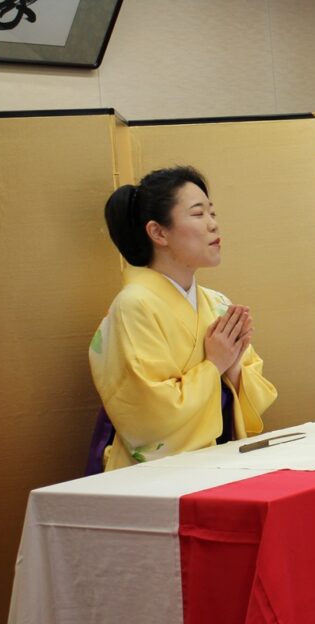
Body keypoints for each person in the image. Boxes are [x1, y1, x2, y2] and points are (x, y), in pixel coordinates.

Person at [88, 166, 277, 471]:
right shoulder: (133, 306)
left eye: (212, 213)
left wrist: (233, 370)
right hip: (156, 477)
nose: (213, 224)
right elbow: (148, 414)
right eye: (198, 213)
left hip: (221, 462)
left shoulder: (216, 303)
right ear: (158, 232)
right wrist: (214, 365)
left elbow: (256, 393)